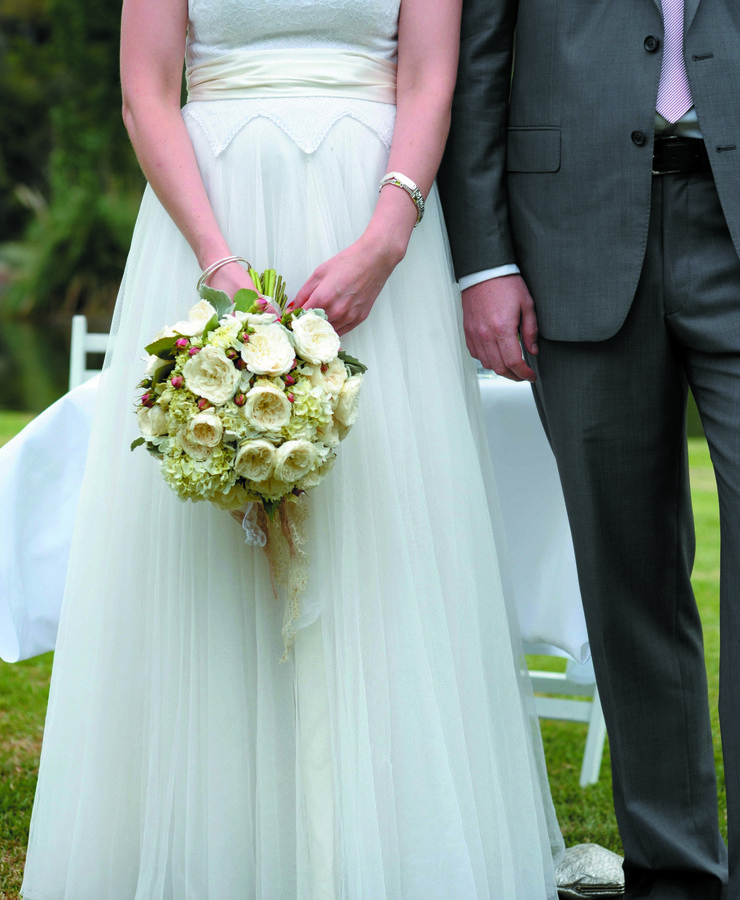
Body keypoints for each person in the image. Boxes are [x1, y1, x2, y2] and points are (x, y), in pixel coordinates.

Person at [20, 0, 563, 897]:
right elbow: (146, 91)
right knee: (205, 551)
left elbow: (431, 75)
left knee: (383, 532)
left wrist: (389, 238)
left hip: (379, 221)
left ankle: (390, 849)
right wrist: (217, 262)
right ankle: (220, 845)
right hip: (212, 218)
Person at [438, 1, 740, 898]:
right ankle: (675, 873)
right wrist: (483, 261)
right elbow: (478, 59)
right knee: (626, 572)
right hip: (572, 231)